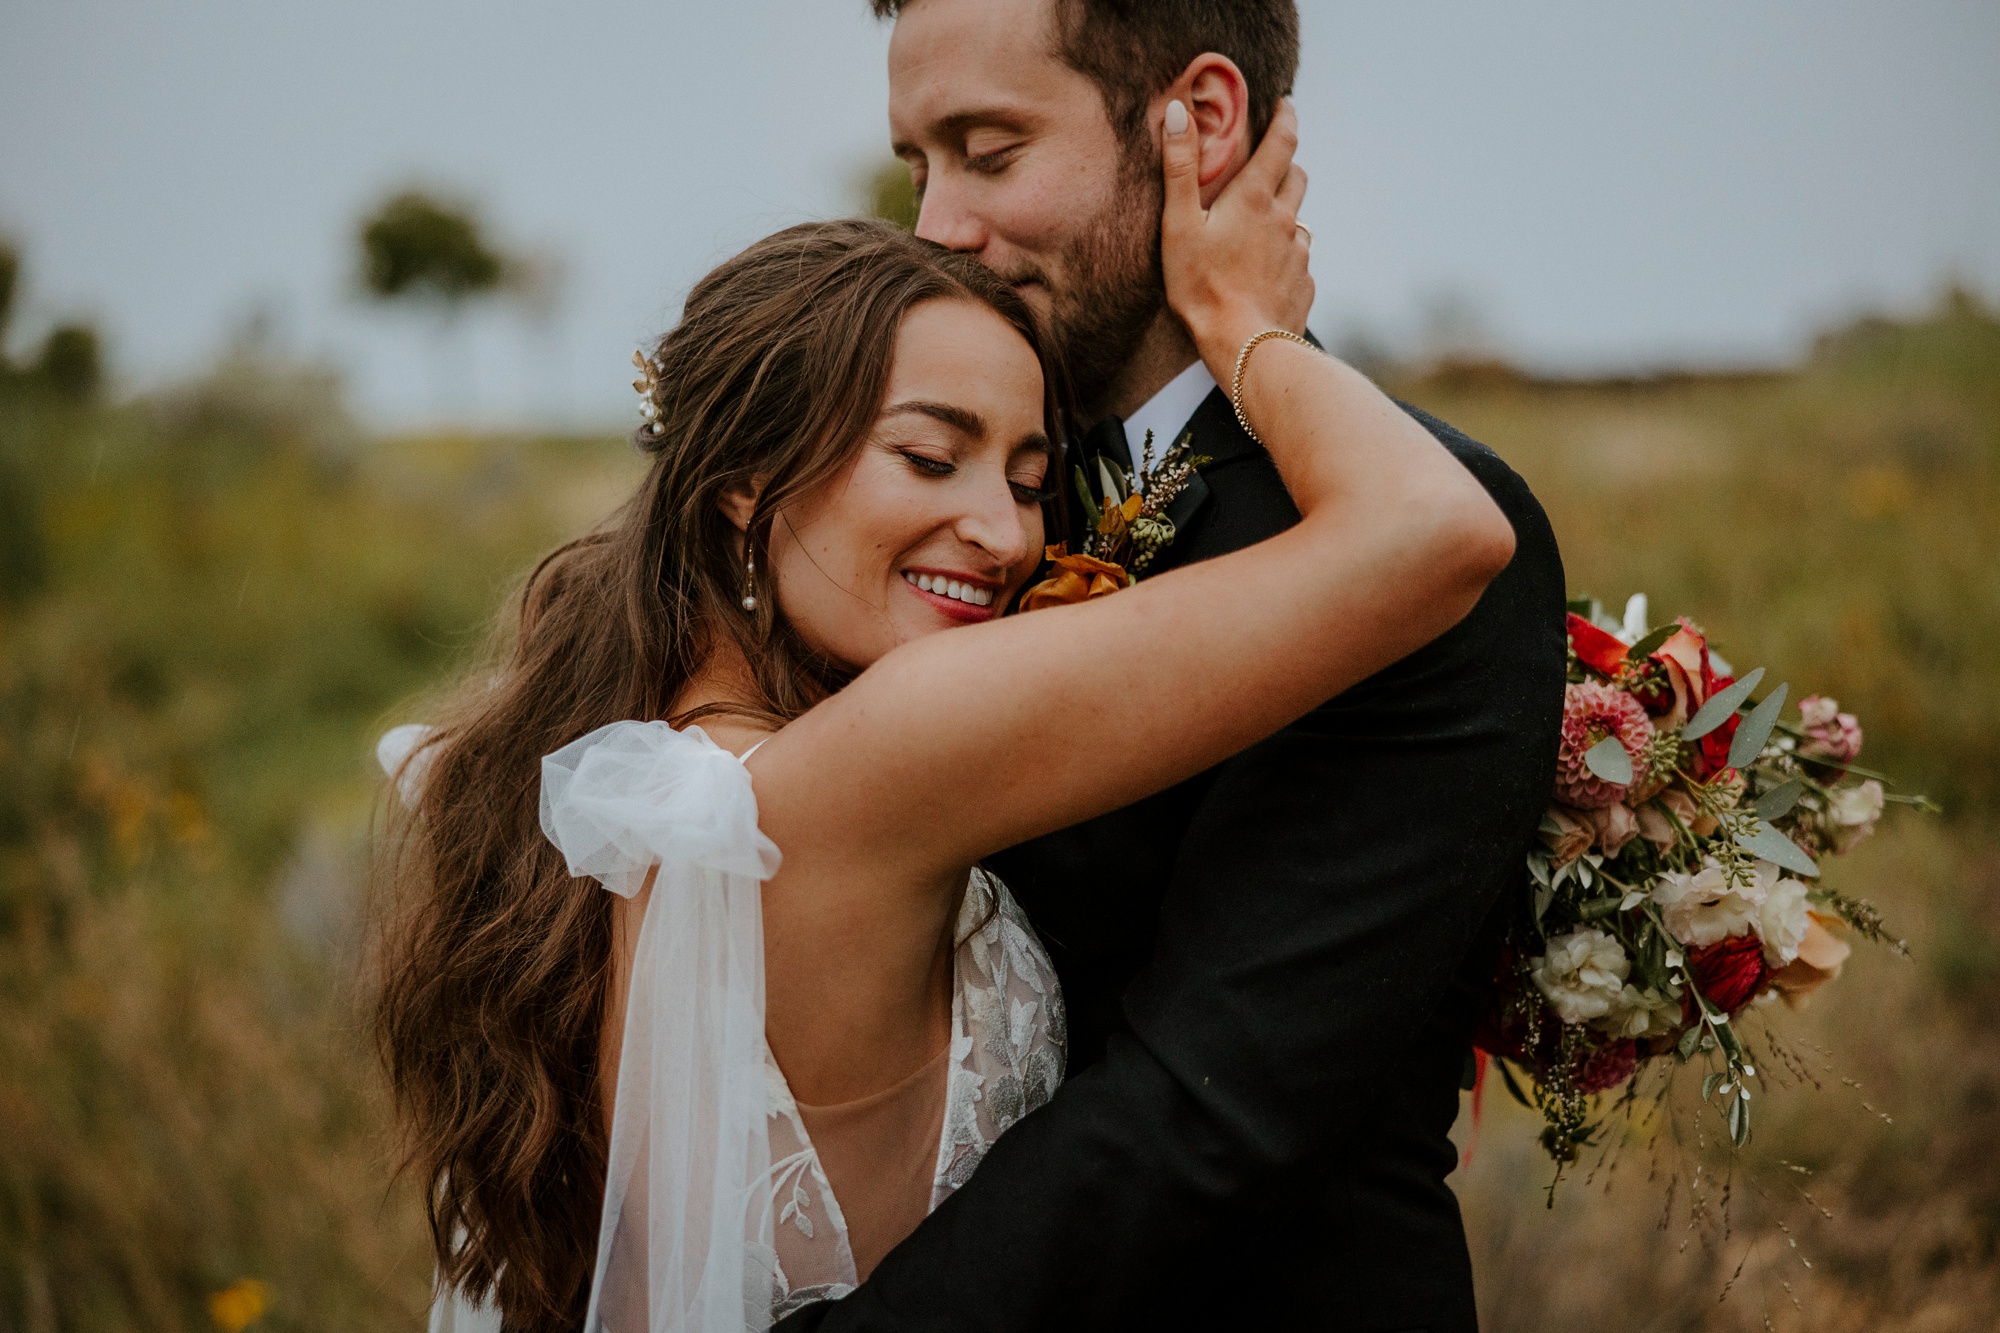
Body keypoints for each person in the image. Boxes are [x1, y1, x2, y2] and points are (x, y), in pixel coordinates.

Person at [373, 90, 1515, 1333]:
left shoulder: (640, 772)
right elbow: (1436, 528)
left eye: (1031, 479)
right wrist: (1240, 318)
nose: (1004, 533)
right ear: (744, 482)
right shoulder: (875, 757)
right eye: (929, 456)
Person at [772, 2, 1569, 1329]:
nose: (937, 230)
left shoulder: (1413, 539)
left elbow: (1204, 1122)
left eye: (988, 150)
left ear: (1199, 123)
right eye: (921, 164)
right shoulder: (965, 497)